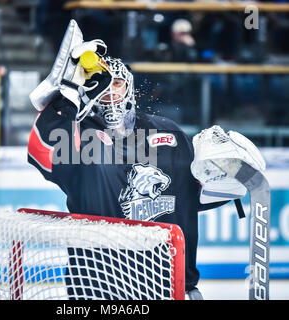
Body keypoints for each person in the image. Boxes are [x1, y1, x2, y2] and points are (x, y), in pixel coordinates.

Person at [27, 20, 229, 300]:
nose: (109, 94)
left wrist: (228, 174)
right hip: (98, 294)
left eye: (117, 85)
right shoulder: (78, 136)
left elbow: (196, 194)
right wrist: (68, 95)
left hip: (170, 288)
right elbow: (41, 150)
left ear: (130, 88)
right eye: (101, 87)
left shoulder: (168, 132)